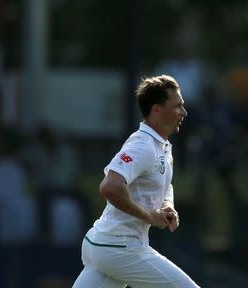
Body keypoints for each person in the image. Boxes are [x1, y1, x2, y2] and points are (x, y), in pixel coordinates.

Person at [72, 75, 200, 288]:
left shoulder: (162, 146)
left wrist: (167, 205)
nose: (184, 113)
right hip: (120, 247)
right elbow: (110, 187)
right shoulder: (143, 146)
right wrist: (150, 216)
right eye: (177, 106)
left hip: (103, 245)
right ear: (157, 109)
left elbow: (164, 184)